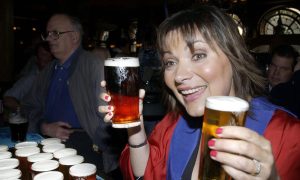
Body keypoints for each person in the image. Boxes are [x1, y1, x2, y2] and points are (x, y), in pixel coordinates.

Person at [99, 5, 300, 180]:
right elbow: (145, 173)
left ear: (234, 57)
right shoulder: (173, 123)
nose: (179, 75)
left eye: (198, 55)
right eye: (171, 62)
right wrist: (135, 129)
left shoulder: (288, 134)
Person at [21, 13, 126, 178]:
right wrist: (43, 126)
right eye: (47, 34)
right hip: (47, 142)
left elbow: (110, 117)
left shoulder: (93, 65)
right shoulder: (48, 71)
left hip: (86, 144)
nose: (49, 38)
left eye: (55, 33)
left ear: (74, 36)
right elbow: (27, 107)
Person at [3, 42, 53, 112]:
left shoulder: (58, 76)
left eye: (50, 54)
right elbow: (7, 99)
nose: (48, 57)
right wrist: (25, 112)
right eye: (43, 54)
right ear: (36, 59)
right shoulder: (32, 79)